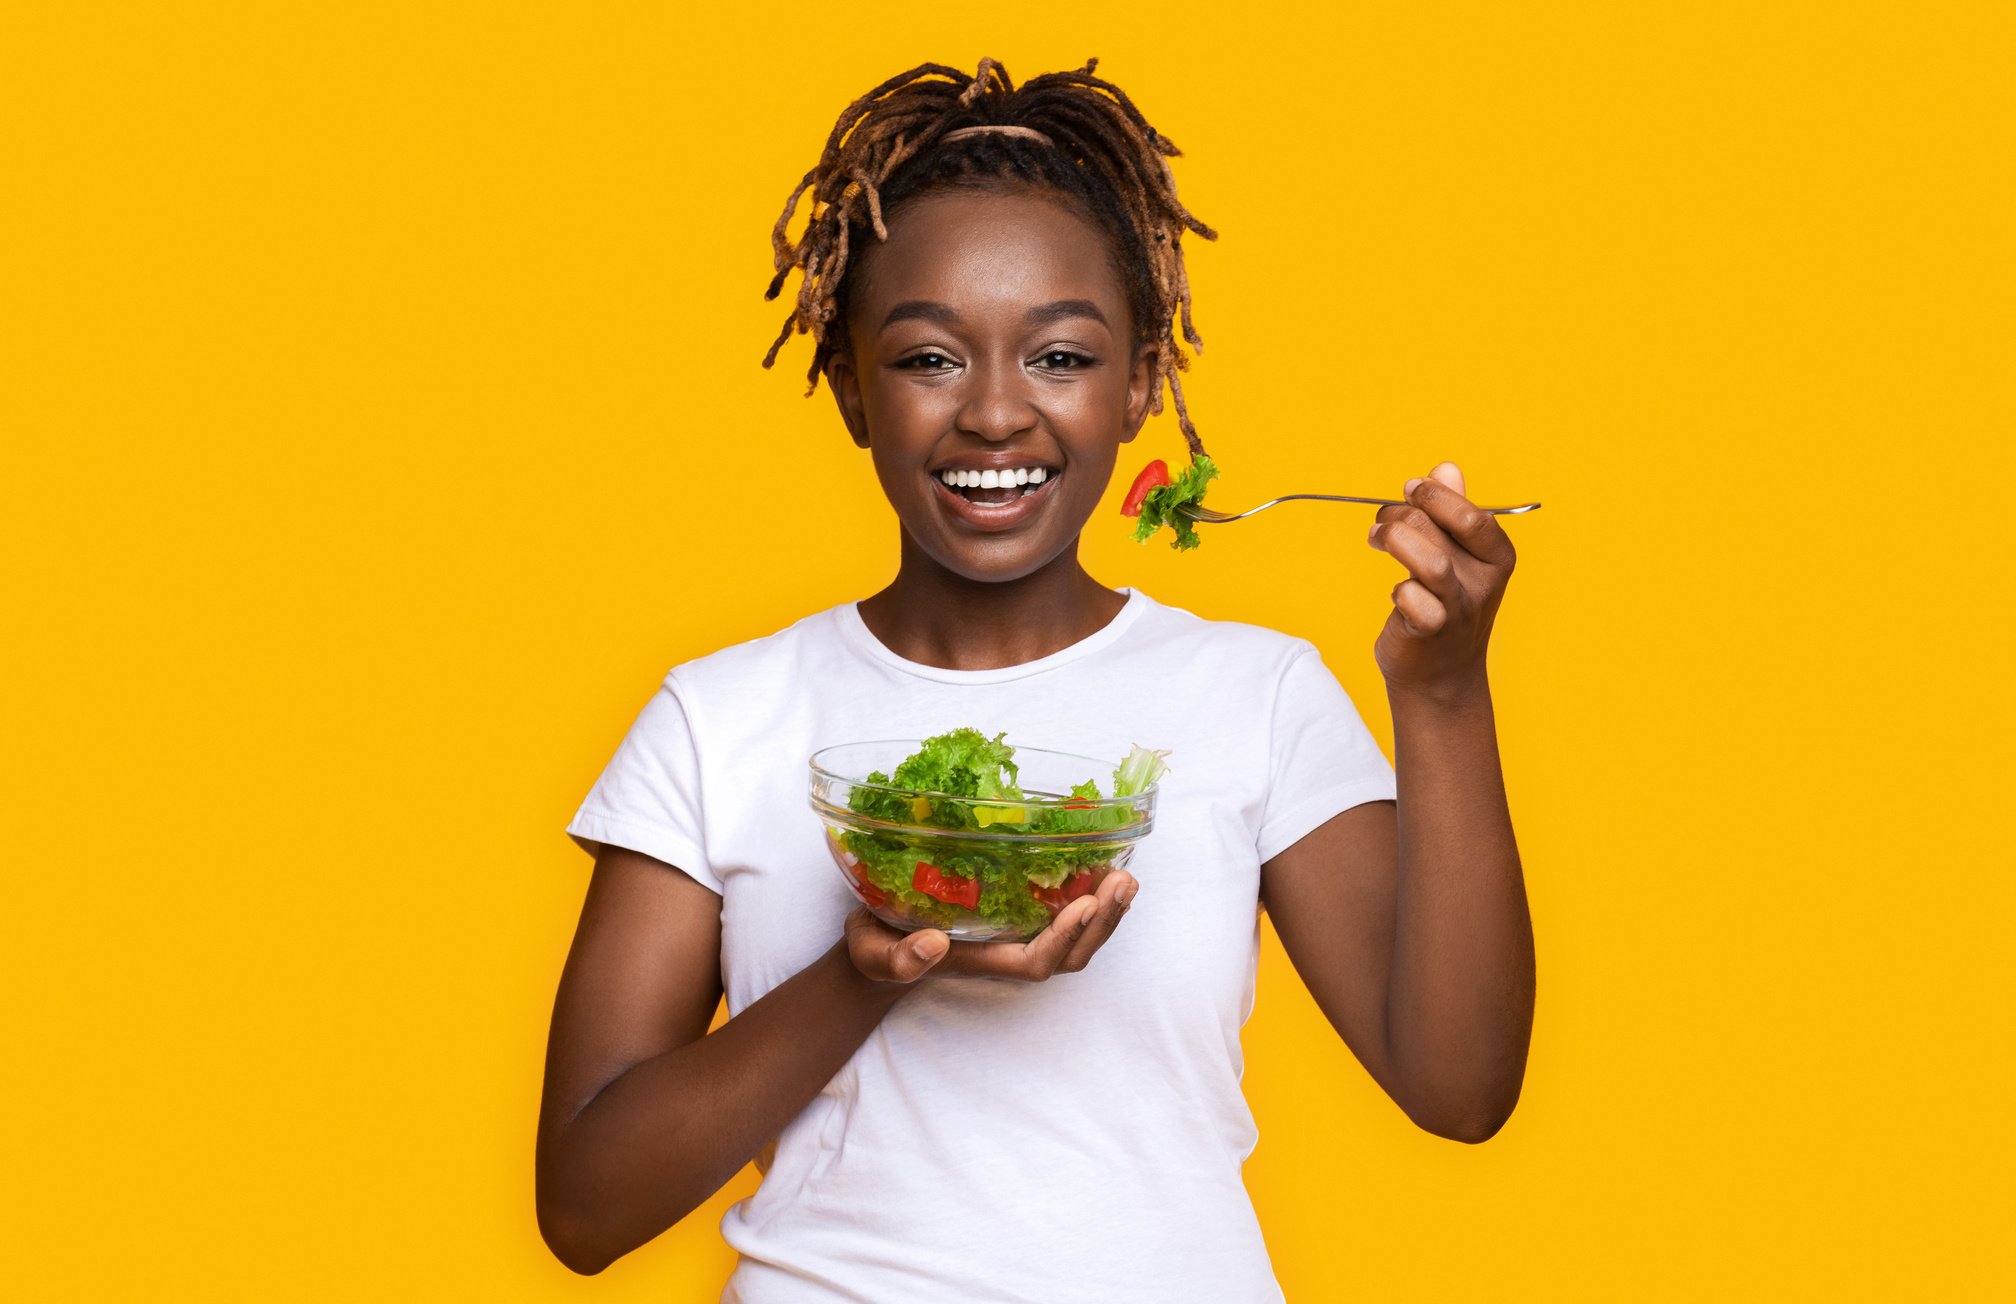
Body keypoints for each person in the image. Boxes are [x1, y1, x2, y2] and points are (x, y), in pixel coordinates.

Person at [535, 58, 1534, 1303]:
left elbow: (1461, 1084)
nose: (997, 414)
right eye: (929, 359)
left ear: (1139, 385)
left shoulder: (1253, 693)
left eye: (1060, 356)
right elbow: (583, 1202)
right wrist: (869, 967)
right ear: (850, 387)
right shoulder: (721, 719)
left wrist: (1443, 697)